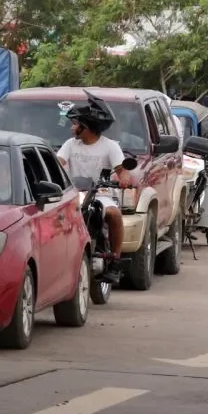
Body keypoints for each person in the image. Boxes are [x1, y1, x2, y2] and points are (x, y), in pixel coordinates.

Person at [57, 92, 132, 279]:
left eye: (76, 124)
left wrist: (124, 177)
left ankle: (115, 260)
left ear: (87, 126)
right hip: (74, 194)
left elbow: (122, 169)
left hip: (101, 194)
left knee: (114, 215)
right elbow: (59, 161)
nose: (72, 127)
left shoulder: (110, 146)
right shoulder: (70, 144)